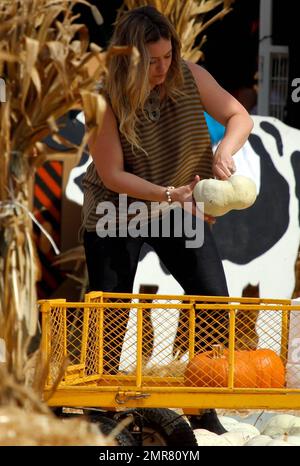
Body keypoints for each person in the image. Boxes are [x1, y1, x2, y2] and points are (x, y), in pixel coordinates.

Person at [81, 6, 253, 433]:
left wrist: (224, 151)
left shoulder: (190, 76)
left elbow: (239, 116)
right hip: (117, 211)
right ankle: (99, 408)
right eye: (151, 61)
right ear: (129, 59)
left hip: (176, 206)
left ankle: (199, 405)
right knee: (111, 307)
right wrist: (169, 194)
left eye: (167, 57)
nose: (162, 68)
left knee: (211, 299)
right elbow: (111, 175)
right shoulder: (104, 98)